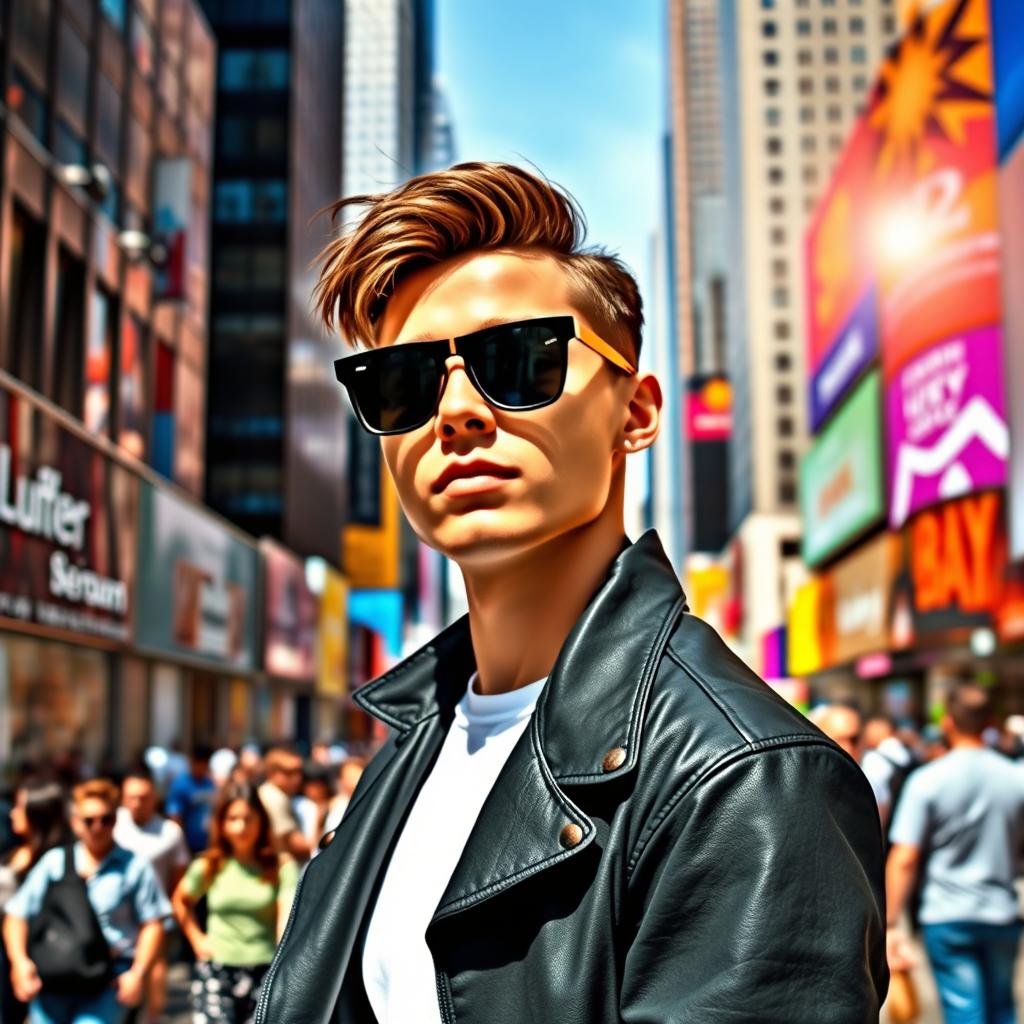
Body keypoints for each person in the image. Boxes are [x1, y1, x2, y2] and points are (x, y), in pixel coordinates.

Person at [255, 161, 886, 1023]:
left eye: (518, 360)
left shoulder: (749, 785)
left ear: (637, 413)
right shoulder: (415, 738)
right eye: (403, 382)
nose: (458, 413)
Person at [887, 683, 1024, 1024]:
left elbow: (905, 857)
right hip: (1001, 911)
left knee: (965, 1013)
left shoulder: (927, 781)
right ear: (991, 722)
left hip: (947, 914)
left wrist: (890, 922)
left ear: (948, 722)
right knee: (1002, 1009)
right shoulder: (1016, 778)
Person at [3, 779, 170, 1024]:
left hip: (108, 982)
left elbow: (153, 923)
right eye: (89, 821)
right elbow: (17, 913)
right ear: (75, 823)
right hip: (54, 979)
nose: (98, 827)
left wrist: (138, 973)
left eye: (106, 819)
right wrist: (19, 962)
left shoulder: (134, 866)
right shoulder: (55, 862)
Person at [171, 782, 299, 1024]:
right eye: (233, 819)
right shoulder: (209, 865)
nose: (241, 827)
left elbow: (286, 916)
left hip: (265, 969)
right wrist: (197, 939)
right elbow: (181, 901)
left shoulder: (280, 867)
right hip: (217, 969)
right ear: (221, 823)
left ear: (261, 821)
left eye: (248, 818)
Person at [114, 766, 190, 1023]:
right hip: (118, 915)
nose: (137, 803)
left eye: (143, 797)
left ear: (155, 797)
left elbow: (179, 877)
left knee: (154, 969)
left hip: (155, 915)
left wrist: (172, 910)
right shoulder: (110, 825)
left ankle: (152, 1017)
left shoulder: (170, 832)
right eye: (131, 797)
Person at [0, 781, 68, 1024]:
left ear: (37, 814)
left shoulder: (52, 863)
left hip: (28, 955)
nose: (12, 813)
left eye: (20, 807)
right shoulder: (15, 850)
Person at [861, 714, 917, 831]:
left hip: (884, 831)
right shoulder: (910, 754)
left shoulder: (873, 759)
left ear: (881, 728)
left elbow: (877, 801)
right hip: (907, 827)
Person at [257, 747, 310, 862]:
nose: (297, 778)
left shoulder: (277, 794)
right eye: (289, 772)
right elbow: (298, 845)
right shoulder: (274, 797)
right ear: (271, 773)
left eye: (299, 771)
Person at [166, 745, 216, 855]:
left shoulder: (209, 783)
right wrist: (181, 845)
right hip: (188, 844)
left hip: (207, 842)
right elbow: (175, 816)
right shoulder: (180, 785)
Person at [323, 756, 366, 834]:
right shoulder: (338, 805)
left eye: (357, 777)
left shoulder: (371, 802)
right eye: (349, 778)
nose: (353, 783)